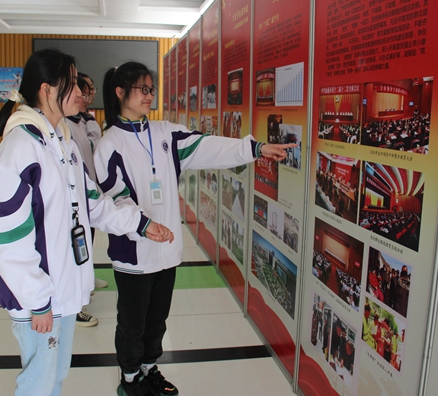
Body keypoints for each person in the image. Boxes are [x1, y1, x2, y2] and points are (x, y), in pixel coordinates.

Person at [93, 61, 297, 396]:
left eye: (151, 89)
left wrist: (255, 149)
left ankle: (149, 368)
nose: (149, 95)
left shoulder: (165, 133)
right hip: (134, 254)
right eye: (142, 89)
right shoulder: (109, 145)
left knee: (157, 319)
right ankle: (129, 379)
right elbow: (115, 198)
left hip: (166, 250)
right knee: (132, 323)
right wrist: (144, 225)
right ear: (120, 92)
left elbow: (208, 146)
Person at [0, 49, 173, 396]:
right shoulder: (21, 148)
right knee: (38, 384)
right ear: (47, 90)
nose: (82, 93)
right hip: (40, 300)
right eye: (71, 84)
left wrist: (140, 224)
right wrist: (38, 299)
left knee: (54, 377)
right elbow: (1, 235)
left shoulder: (62, 143)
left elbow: (93, 203)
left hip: (62, 291)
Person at [65, 75, 106, 327]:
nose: (85, 95)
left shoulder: (80, 121)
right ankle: (75, 307)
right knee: (75, 248)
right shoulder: (64, 126)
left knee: (86, 244)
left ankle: (86, 282)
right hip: (76, 200)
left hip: (87, 194)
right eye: (81, 90)